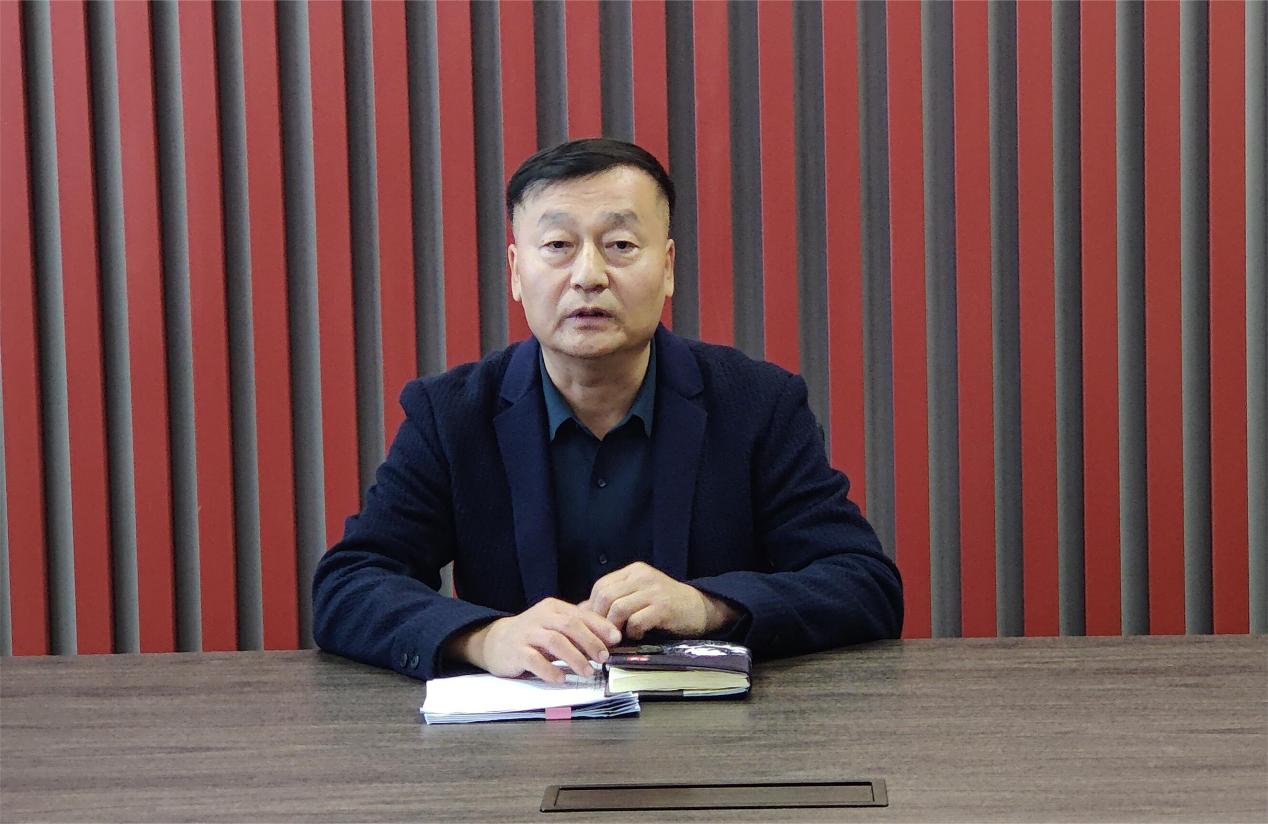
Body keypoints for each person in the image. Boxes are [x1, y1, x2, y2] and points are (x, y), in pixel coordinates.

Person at [312, 138, 902, 683]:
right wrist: (485, 637)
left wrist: (709, 607)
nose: (588, 276)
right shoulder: (451, 415)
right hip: (516, 740)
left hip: (712, 738)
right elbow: (349, 585)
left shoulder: (758, 404)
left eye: (620, 246)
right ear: (516, 272)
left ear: (667, 267)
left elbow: (862, 583)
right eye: (558, 247)